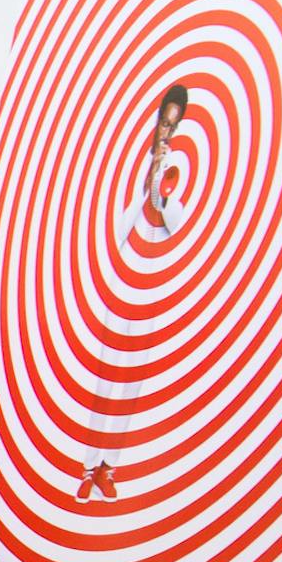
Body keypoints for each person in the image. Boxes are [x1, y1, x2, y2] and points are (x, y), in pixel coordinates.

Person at [81, 83, 191, 500]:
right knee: (106, 376)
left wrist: (163, 185)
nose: (167, 132)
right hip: (122, 275)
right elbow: (113, 226)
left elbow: (177, 221)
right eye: (164, 123)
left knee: (131, 382)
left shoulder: (175, 162)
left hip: (151, 276)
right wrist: (144, 182)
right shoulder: (131, 160)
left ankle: (108, 468)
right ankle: (88, 467)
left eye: (173, 126)